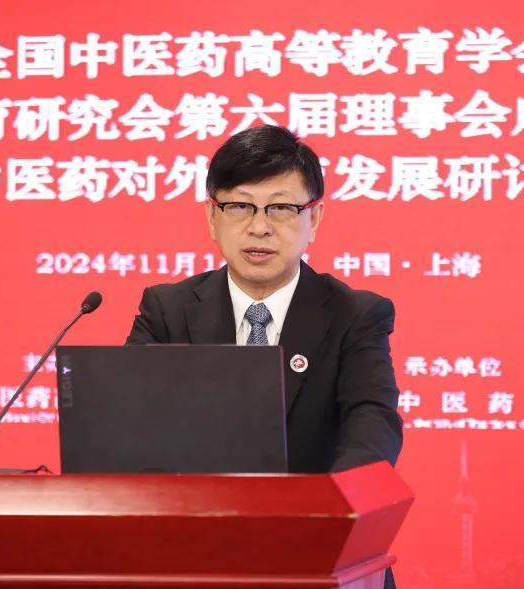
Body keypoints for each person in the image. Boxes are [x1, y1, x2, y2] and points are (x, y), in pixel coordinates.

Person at [127, 125, 403, 588]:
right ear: (212, 216)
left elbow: (373, 426)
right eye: (240, 206)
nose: (259, 227)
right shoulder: (167, 310)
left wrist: (326, 519)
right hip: (194, 557)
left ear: (314, 218)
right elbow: (129, 428)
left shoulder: (356, 315)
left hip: (321, 557)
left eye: (281, 207)